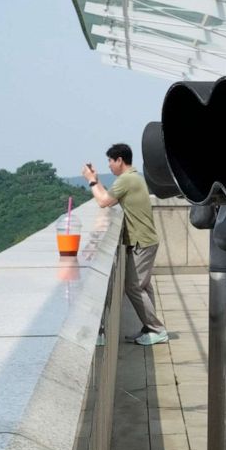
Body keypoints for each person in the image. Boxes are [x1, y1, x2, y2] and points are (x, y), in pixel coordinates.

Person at [83, 143, 168, 346]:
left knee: (134, 286)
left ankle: (157, 330)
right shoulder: (132, 178)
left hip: (141, 241)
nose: (110, 166)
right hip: (146, 240)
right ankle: (150, 327)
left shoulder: (126, 180)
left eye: (111, 162)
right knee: (143, 286)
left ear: (119, 160)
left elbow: (103, 202)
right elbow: (109, 198)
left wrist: (91, 181)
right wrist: (97, 180)